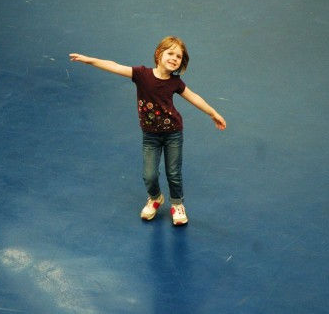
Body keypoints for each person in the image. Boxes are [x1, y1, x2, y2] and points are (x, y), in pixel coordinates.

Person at [69, 36, 226, 225]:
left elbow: (194, 97)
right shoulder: (142, 74)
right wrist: (90, 60)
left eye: (179, 56)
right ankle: (155, 198)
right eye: (170, 53)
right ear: (159, 54)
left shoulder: (175, 83)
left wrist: (213, 113)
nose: (174, 58)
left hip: (173, 133)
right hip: (150, 135)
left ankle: (177, 204)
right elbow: (115, 66)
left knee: (173, 173)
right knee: (149, 175)